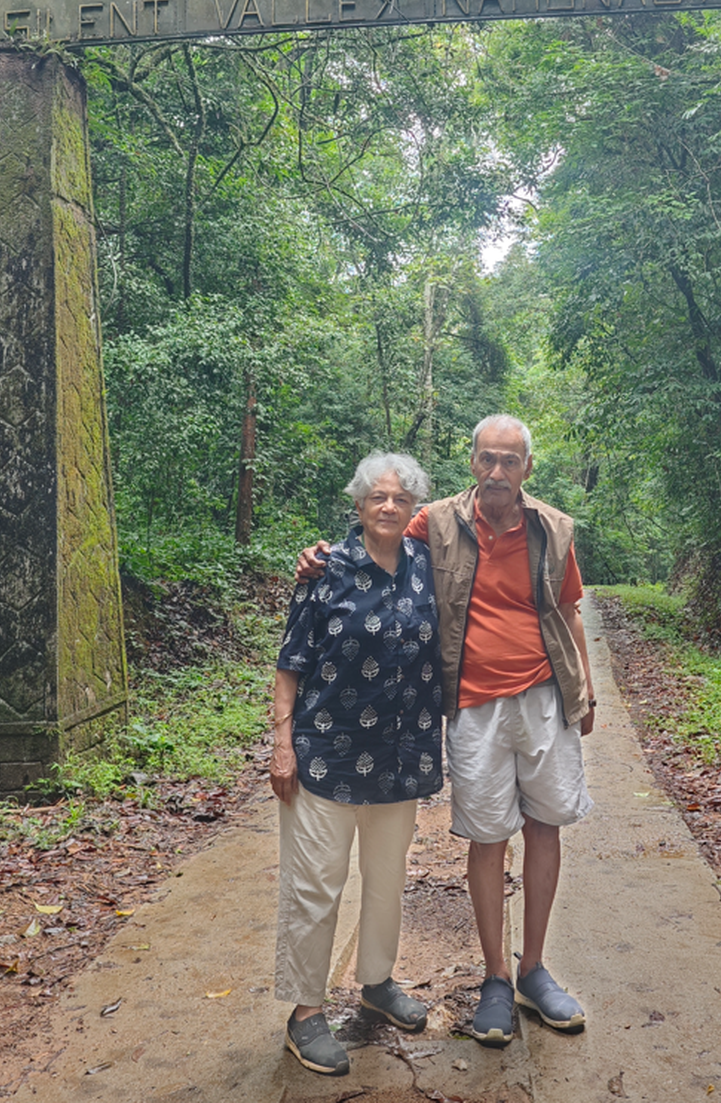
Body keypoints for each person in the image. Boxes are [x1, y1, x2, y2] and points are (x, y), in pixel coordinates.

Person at [298, 415, 595, 1047]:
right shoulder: (435, 522)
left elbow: (568, 611)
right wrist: (318, 557)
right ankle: (494, 978)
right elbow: (373, 527)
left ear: (527, 469)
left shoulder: (553, 529)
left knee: (546, 827)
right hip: (474, 704)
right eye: (486, 459)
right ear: (471, 462)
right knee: (488, 835)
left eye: (509, 461)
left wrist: (585, 687)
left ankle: (533, 970)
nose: (496, 472)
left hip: (545, 695)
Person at [272, 452, 442, 1077]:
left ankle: (377, 981)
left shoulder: (427, 564)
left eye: (400, 498)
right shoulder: (327, 568)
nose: (389, 506)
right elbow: (291, 661)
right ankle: (305, 1014)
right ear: (360, 504)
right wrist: (282, 741)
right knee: (316, 883)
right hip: (327, 753)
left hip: (401, 754)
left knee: (386, 875)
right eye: (378, 497)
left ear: (414, 506)